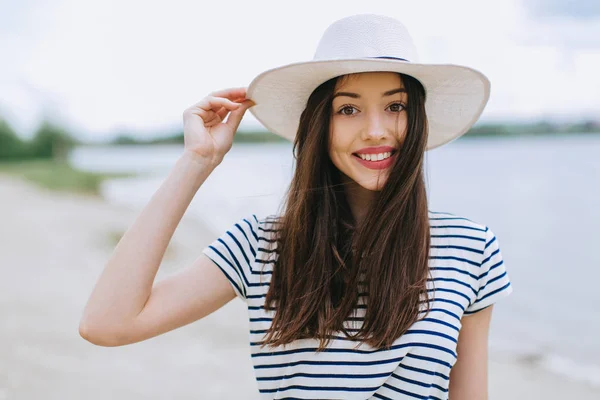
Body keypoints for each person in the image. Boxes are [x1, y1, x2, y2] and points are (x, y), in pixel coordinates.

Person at [80, 14, 512, 400]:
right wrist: (198, 162)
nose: (376, 130)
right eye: (348, 109)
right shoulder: (261, 245)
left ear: (416, 119)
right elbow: (107, 323)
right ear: (319, 125)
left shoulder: (470, 247)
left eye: (395, 106)